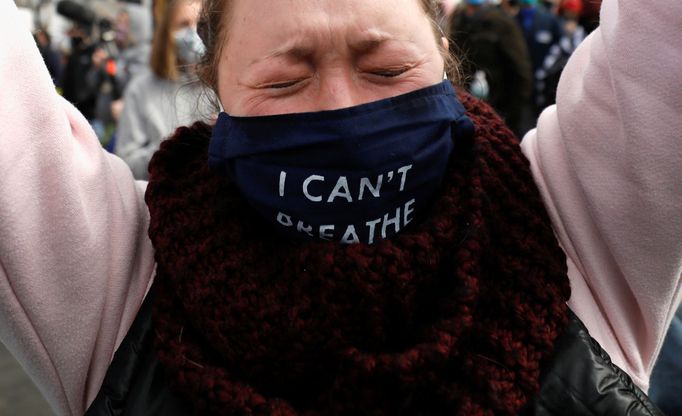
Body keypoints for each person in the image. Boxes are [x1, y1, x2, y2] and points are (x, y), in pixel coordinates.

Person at [0, 0, 680, 415]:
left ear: (443, 51)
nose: (340, 107)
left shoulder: (566, 230)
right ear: (216, 87)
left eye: (386, 69)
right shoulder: (123, 281)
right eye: (283, 81)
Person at [114, 0, 211, 179]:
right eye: (183, 24)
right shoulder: (141, 89)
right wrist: (171, 149)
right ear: (166, 32)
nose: (194, 32)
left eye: (200, 24)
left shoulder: (219, 83)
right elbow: (125, 163)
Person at [448, 0, 533, 137]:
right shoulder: (458, 18)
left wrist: (513, 116)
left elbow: (520, 69)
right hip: (464, 108)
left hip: (498, 109)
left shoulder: (501, 22)